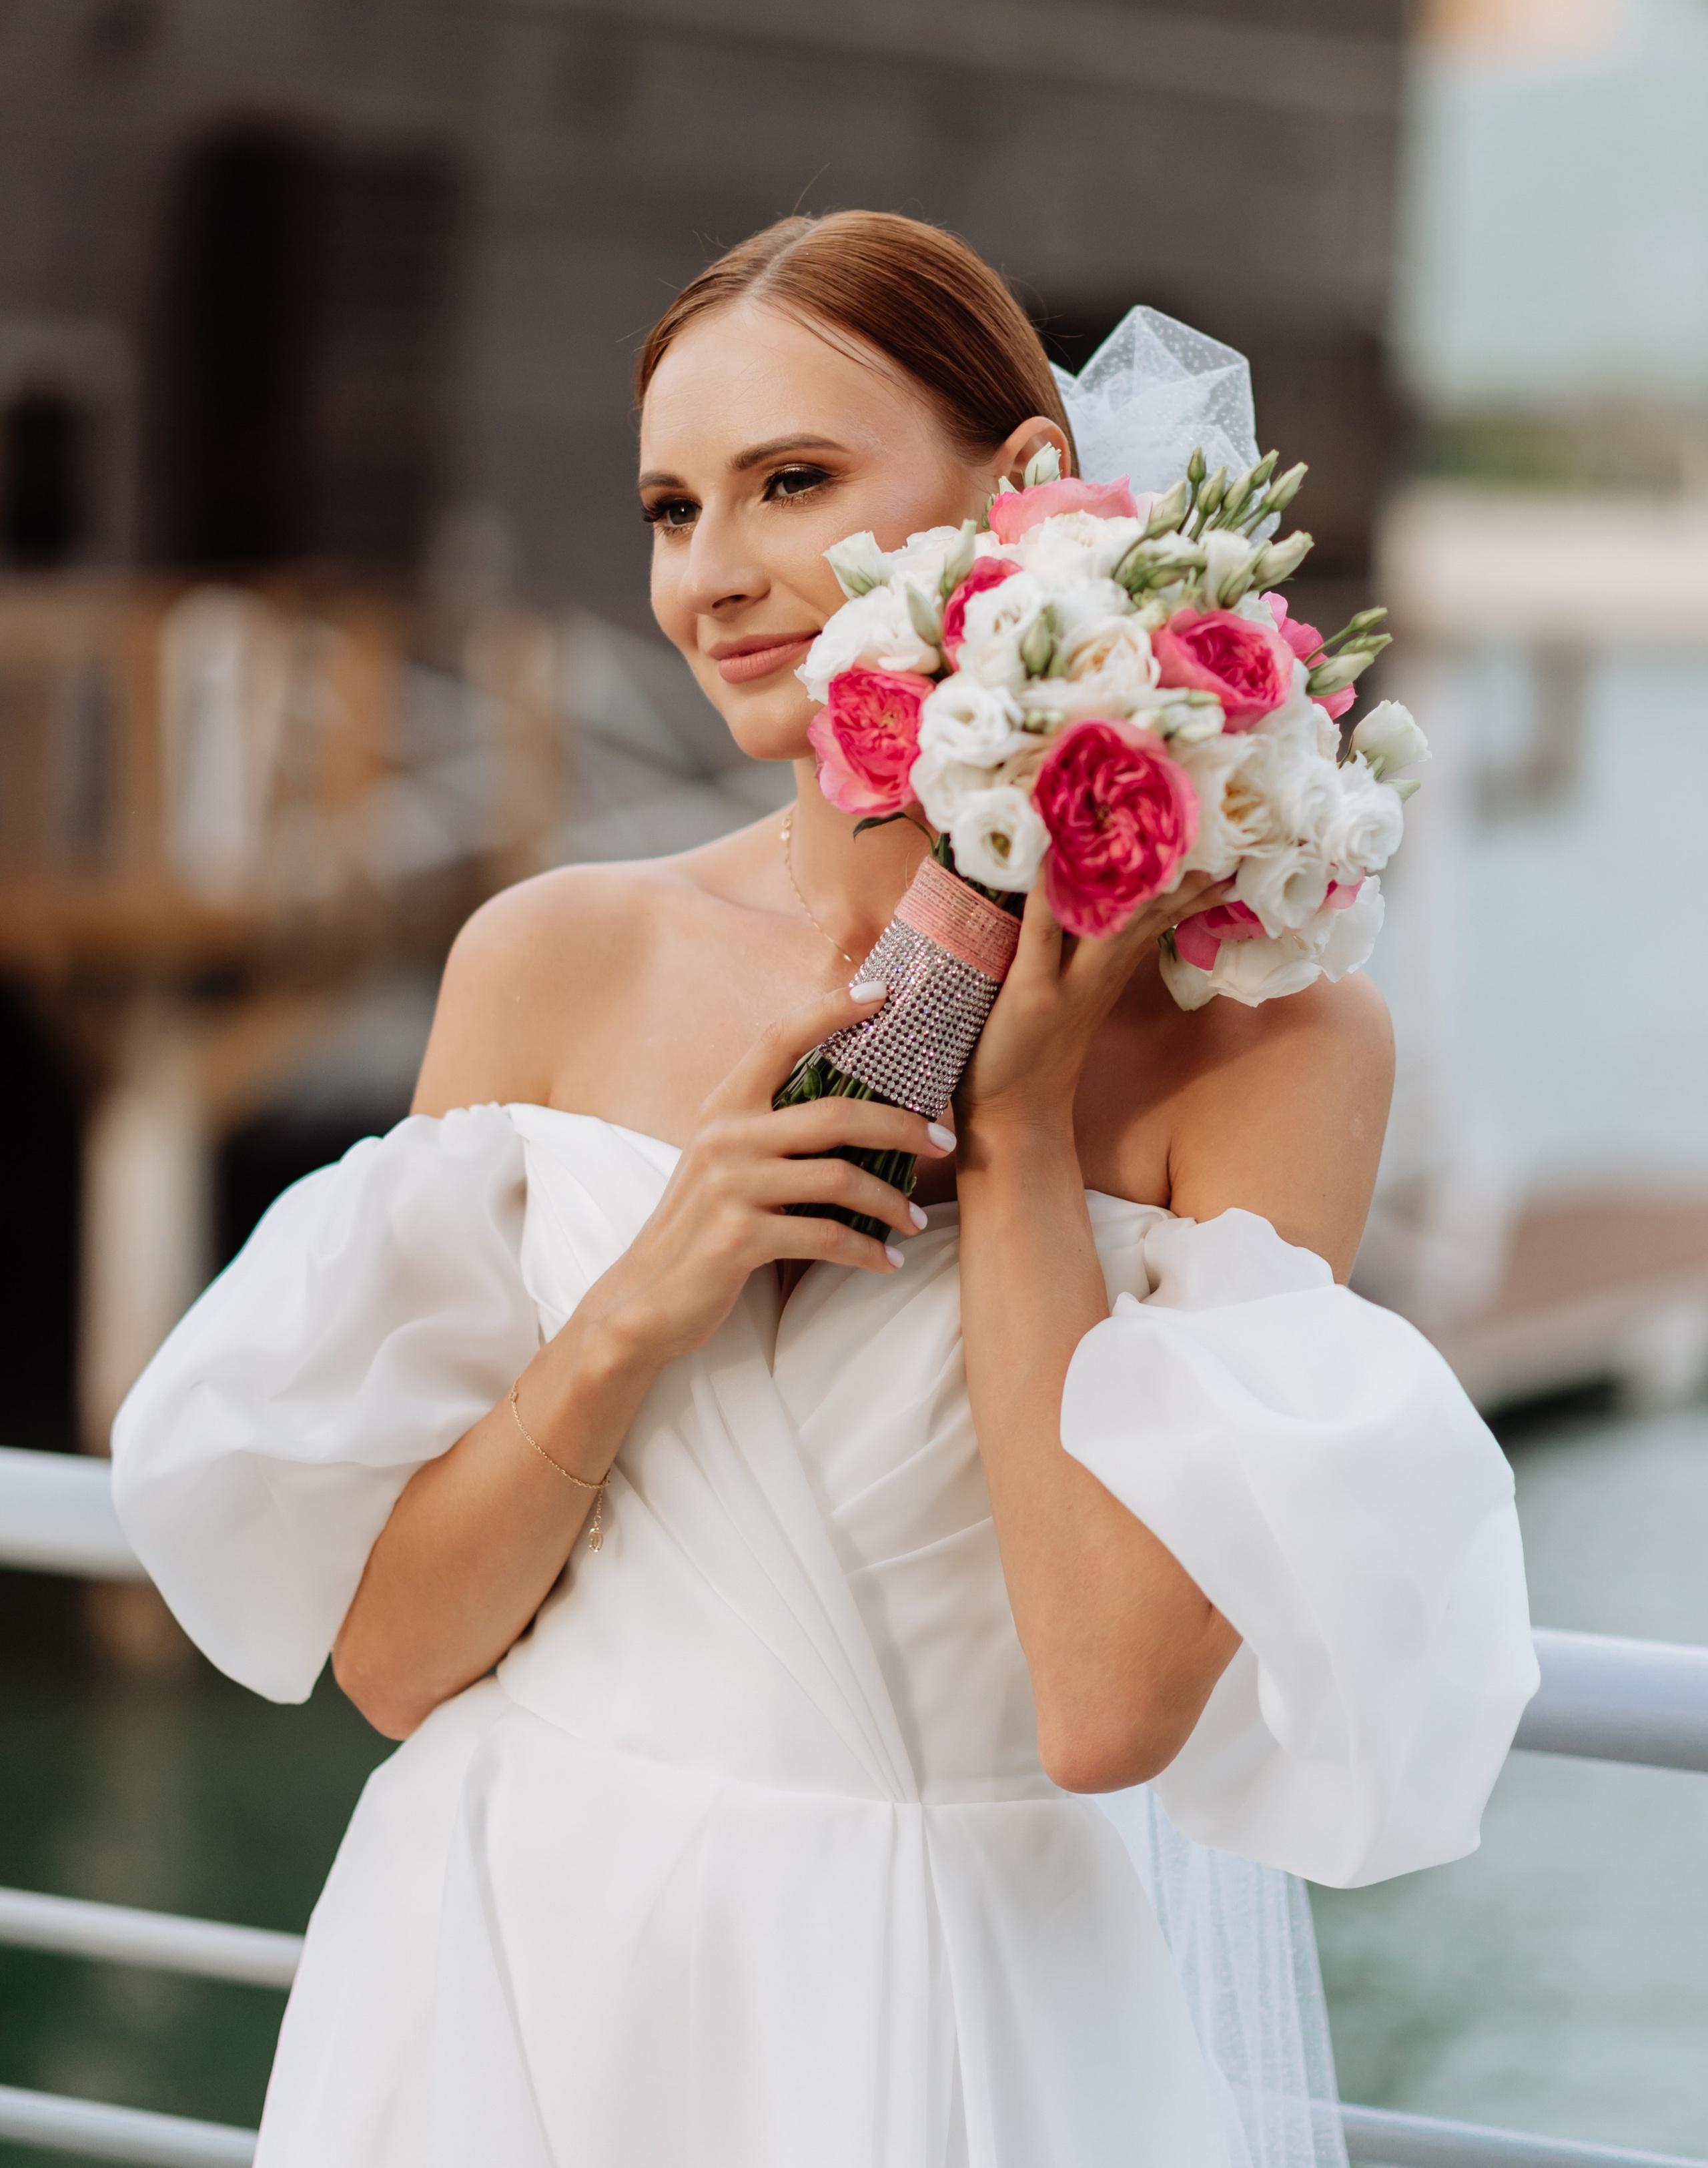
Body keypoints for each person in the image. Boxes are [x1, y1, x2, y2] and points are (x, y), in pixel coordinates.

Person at [112, 212, 1538, 2168]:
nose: (715, 576)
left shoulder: (1276, 1050)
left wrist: (1023, 1135)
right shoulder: (551, 958)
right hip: (502, 1969)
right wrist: (652, 1289)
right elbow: (391, 1664)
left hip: (938, 2005)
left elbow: (1108, 1709)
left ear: (1028, 491)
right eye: (671, 508)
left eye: (794, 483)